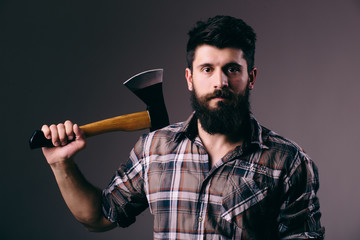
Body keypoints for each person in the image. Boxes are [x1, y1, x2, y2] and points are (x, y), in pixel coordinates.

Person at [41, 15, 324, 239]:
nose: (220, 82)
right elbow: (99, 218)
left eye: (232, 69)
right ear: (189, 78)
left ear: (251, 77)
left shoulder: (288, 161)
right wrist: (61, 164)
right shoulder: (154, 149)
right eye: (207, 69)